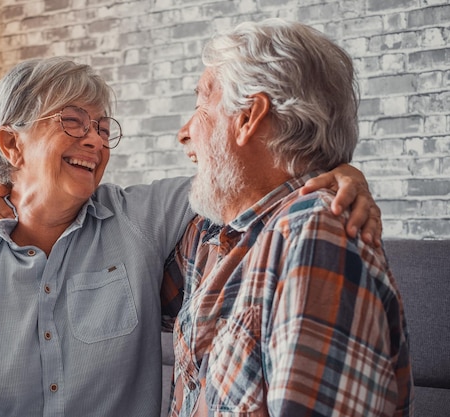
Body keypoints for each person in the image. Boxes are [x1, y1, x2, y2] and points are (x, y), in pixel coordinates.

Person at [0, 58, 380, 417]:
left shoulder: (141, 218)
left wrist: (338, 170)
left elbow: (249, 178)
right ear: (12, 144)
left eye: (103, 129)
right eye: (73, 122)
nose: (94, 140)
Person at [159, 18, 413, 416]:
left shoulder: (315, 234)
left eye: (199, 106)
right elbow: (117, 295)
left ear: (248, 117)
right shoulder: (218, 237)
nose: (184, 132)